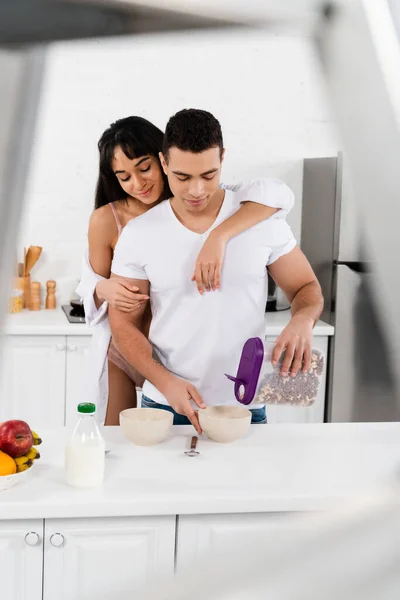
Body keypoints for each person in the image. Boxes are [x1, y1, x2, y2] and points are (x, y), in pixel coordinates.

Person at [109, 109, 324, 434]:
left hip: (244, 408)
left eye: (208, 175)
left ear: (223, 159)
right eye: (182, 177)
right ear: (164, 163)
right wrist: (165, 383)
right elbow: (123, 324)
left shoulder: (258, 218)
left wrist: (303, 320)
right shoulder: (139, 234)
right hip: (166, 406)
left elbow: (305, 287)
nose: (196, 190)